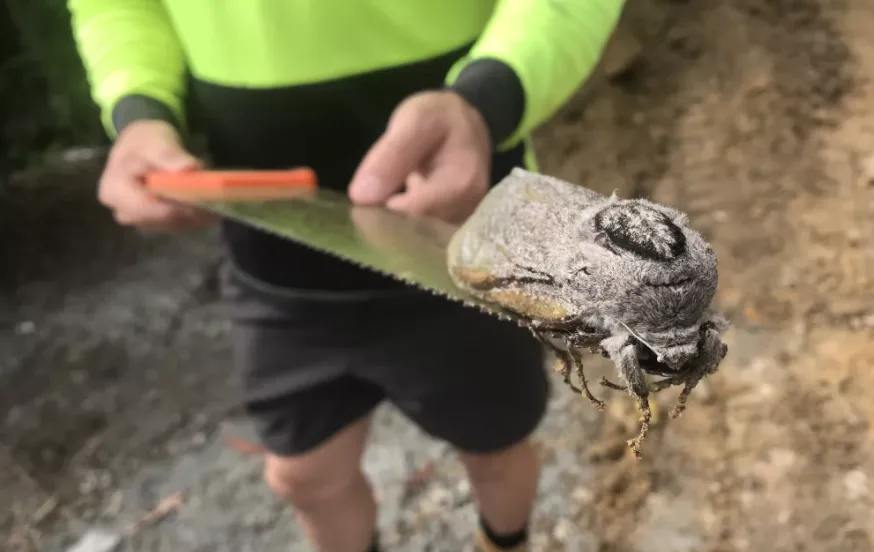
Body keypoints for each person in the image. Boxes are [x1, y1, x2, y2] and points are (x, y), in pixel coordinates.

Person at [67, 1, 626, 550]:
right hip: (276, 263)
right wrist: (138, 113)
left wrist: (486, 100)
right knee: (304, 477)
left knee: (496, 447)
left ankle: (504, 542)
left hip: (463, 246)